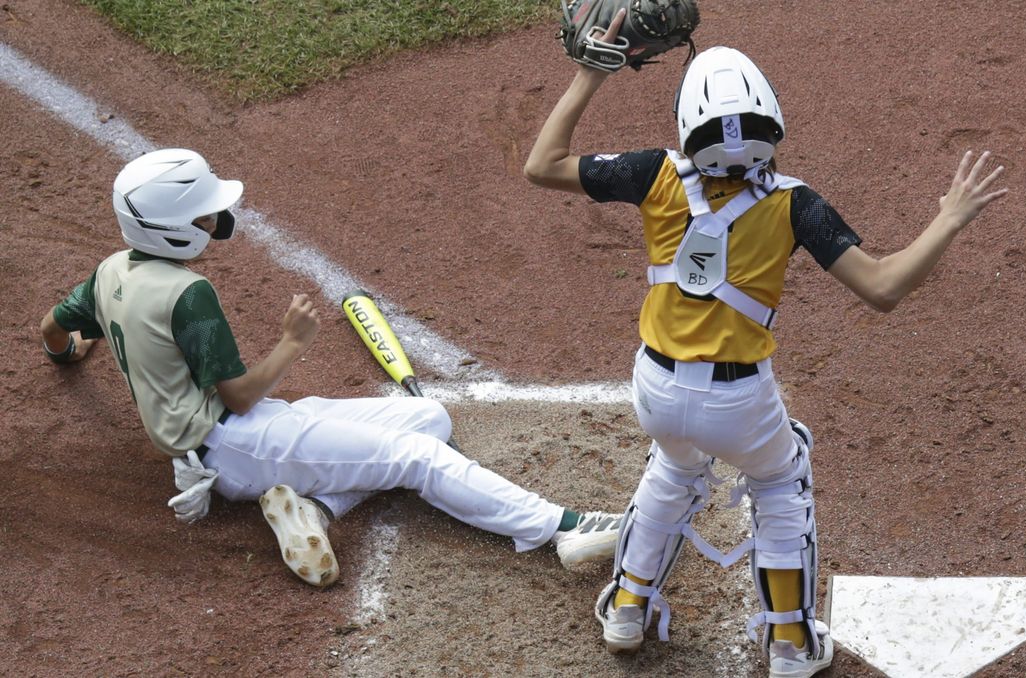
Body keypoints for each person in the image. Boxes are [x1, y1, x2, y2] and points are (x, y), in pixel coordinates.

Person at [524, 11, 1007, 678]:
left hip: (657, 389)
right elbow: (885, 287)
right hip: (738, 400)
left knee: (673, 467)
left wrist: (587, 78)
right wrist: (949, 218)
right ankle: (790, 645)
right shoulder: (794, 203)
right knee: (781, 480)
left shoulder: (654, 174)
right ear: (771, 123)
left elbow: (541, 164)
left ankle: (628, 607)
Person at [40, 148, 622, 589]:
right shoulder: (188, 293)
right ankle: (561, 526)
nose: (215, 222)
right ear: (172, 228)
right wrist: (292, 342)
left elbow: (52, 327)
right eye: (204, 216)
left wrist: (66, 352)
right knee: (417, 458)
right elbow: (240, 396)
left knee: (429, 418)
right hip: (234, 441)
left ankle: (312, 509)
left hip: (226, 439)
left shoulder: (111, 270)